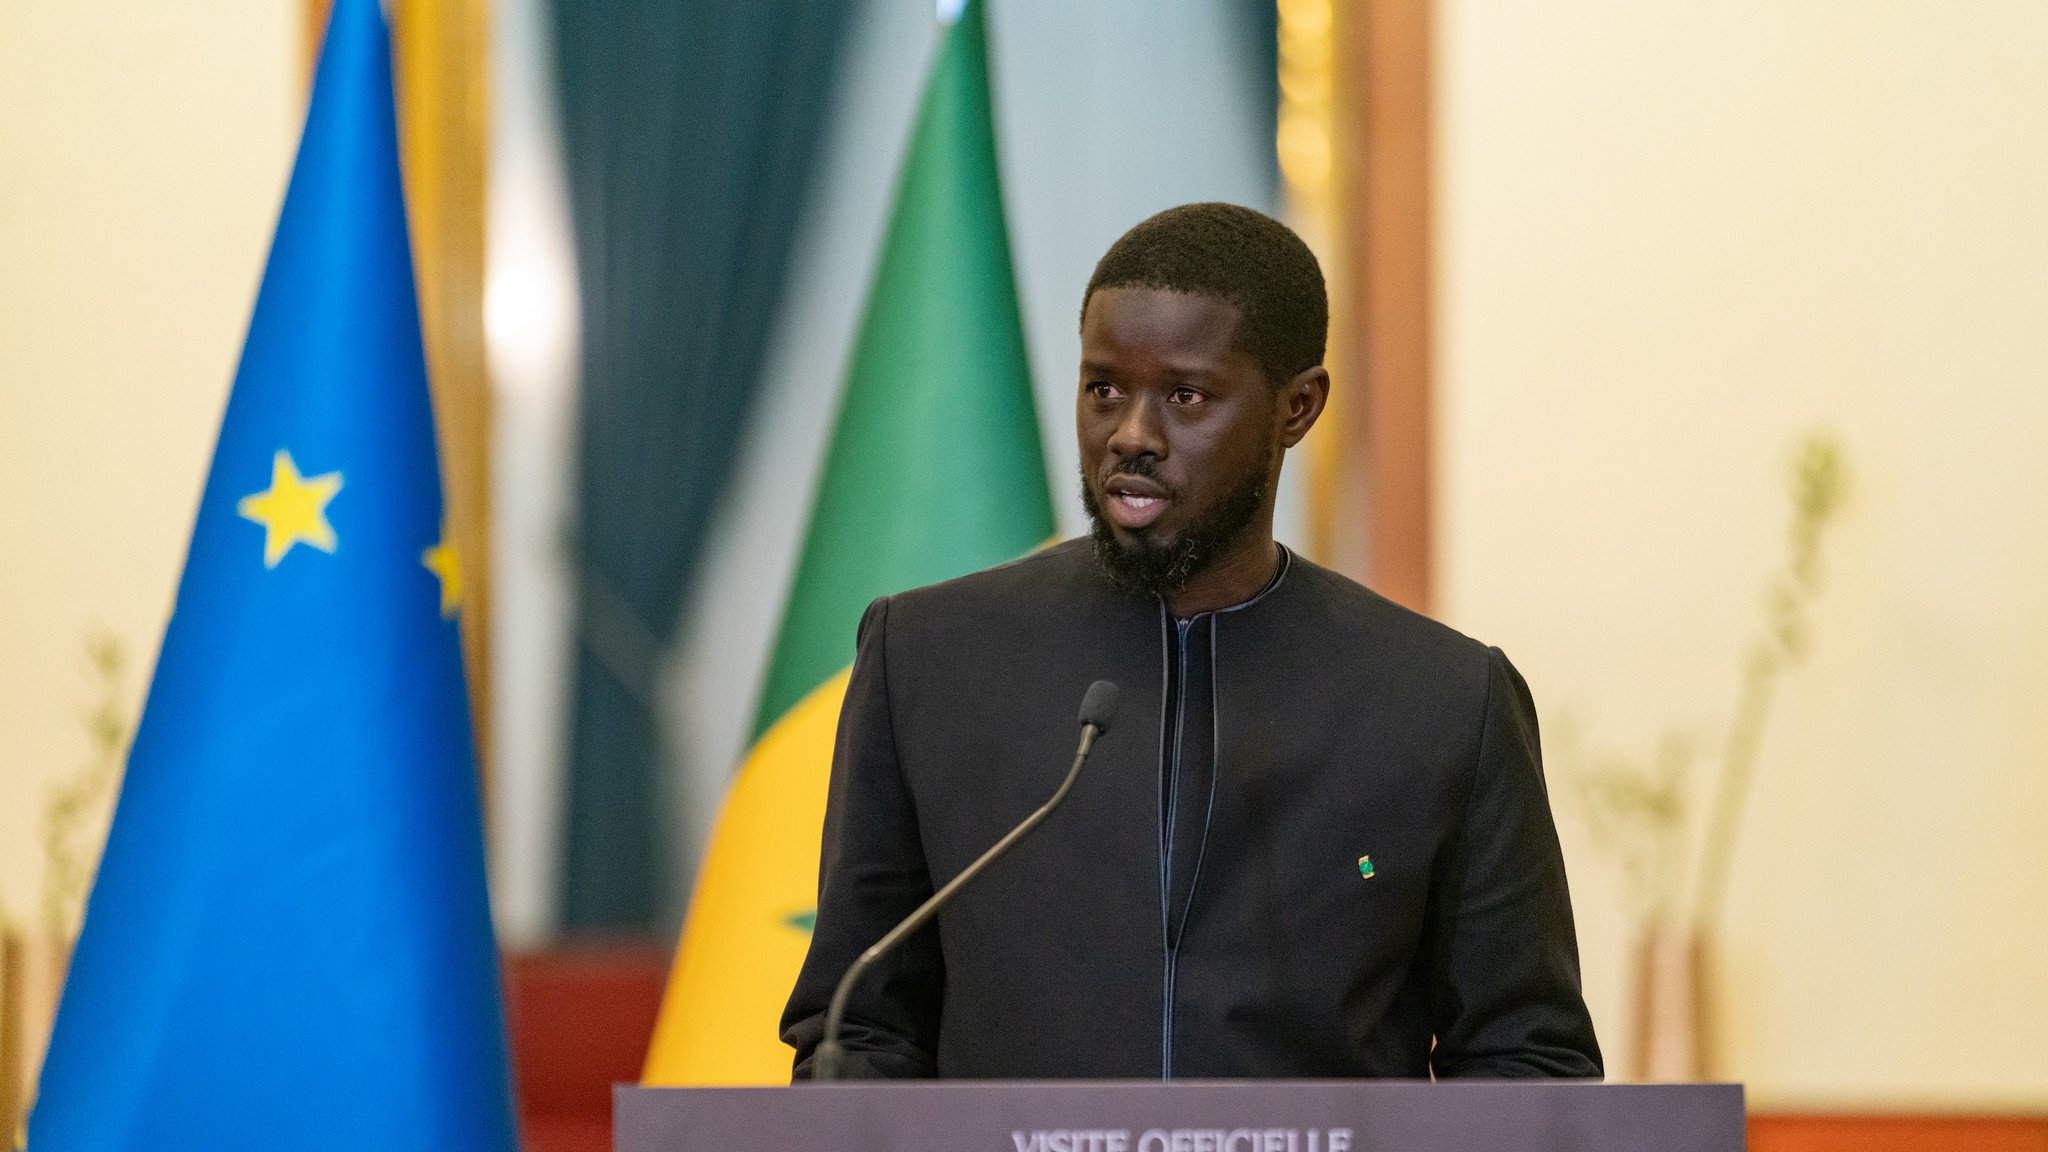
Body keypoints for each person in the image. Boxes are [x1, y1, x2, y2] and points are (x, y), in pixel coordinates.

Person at [781, 202, 1602, 1080]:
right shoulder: (929, 659)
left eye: (1185, 395)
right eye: (1103, 388)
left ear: (1297, 407)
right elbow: (857, 1032)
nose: (1131, 435)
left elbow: (1526, 1058)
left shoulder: (1442, 700)